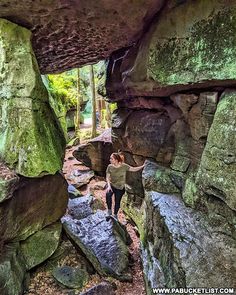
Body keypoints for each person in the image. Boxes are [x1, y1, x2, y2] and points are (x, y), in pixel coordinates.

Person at [106, 152, 144, 221]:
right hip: (112, 185)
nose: (110, 160)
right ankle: (109, 212)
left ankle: (115, 215)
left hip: (120, 188)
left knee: (117, 201)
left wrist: (142, 166)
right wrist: (109, 186)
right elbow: (107, 177)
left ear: (116, 160)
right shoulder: (110, 166)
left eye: (111, 159)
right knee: (108, 195)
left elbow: (133, 169)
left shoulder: (124, 166)